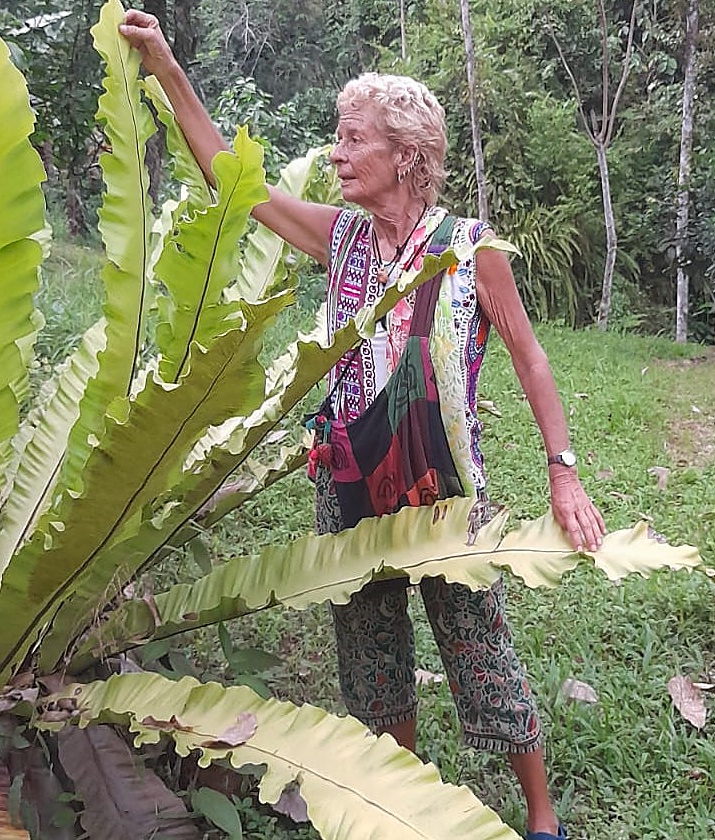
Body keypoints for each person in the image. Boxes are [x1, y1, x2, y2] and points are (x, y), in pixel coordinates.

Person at [120, 11, 607, 839]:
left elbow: (530, 356)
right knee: (372, 659)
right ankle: (407, 803)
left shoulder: (468, 247)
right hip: (347, 483)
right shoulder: (341, 236)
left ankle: (542, 815)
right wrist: (167, 69)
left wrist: (563, 469)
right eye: (338, 140)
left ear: (406, 157)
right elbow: (234, 182)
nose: (336, 154)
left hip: (442, 493)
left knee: (478, 647)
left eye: (352, 140)